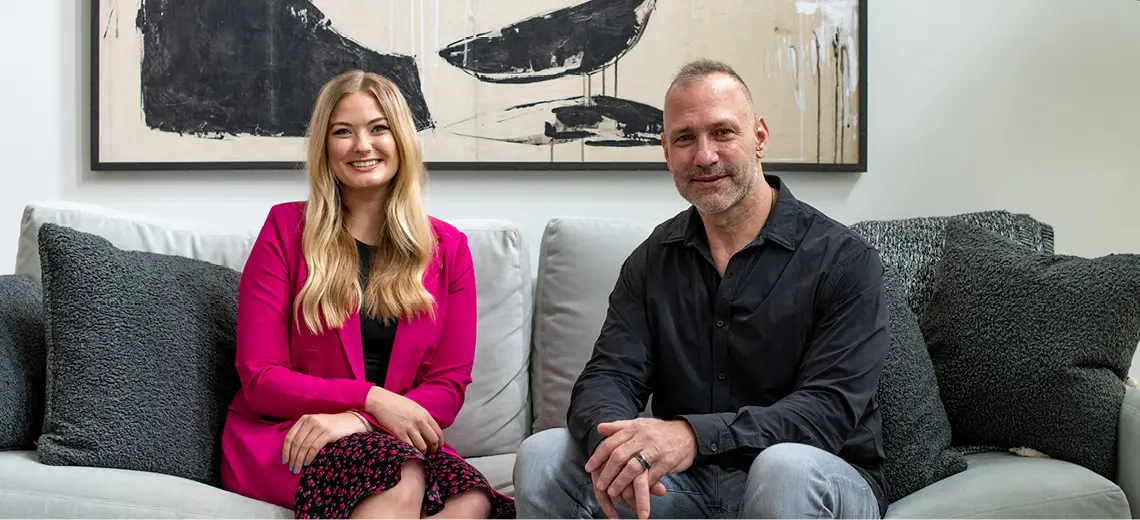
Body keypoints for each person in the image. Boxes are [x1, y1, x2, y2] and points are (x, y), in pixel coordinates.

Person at [513, 58, 890, 520]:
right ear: (666, 151)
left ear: (760, 137)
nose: (705, 156)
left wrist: (689, 436)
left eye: (723, 133)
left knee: (783, 468)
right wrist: (620, 447)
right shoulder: (652, 259)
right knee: (544, 456)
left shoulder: (845, 259)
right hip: (684, 487)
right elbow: (607, 377)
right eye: (685, 138)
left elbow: (825, 412)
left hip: (817, 477)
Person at [219, 70, 515, 520]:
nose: (362, 145)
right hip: (295, 434)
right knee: (400, 474)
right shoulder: (285, 230)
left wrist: (359, 419)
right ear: (325, 146)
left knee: (472, 500)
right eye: (343, 131)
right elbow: (261, 379)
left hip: (391, 435)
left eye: (379, 128)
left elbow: (447, 388)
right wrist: (372, 399)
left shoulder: (447, 249)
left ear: (402, 140)